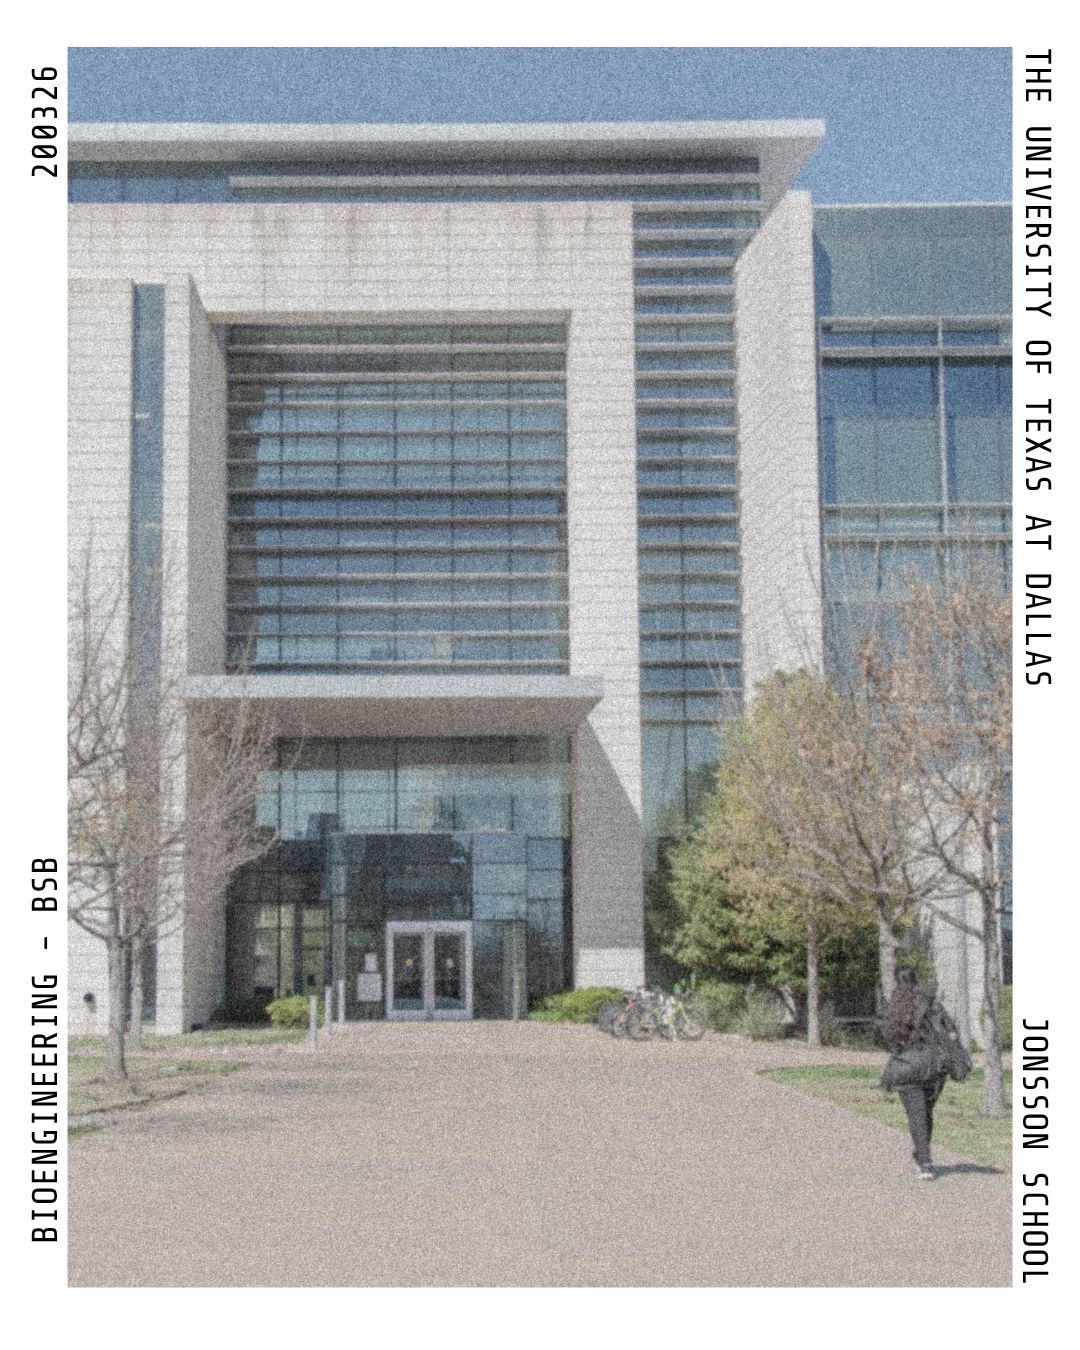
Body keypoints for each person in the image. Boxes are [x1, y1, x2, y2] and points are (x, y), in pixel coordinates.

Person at [880, 967, 949, 1180]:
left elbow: (887, 1037)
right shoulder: (930, 1003)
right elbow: (946, 1029)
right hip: (934, 1065)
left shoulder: (895, 1005)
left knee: (916, 1114)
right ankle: (922, 1155)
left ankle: (925, 1161)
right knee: (926, 1112)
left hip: (908, 1066)